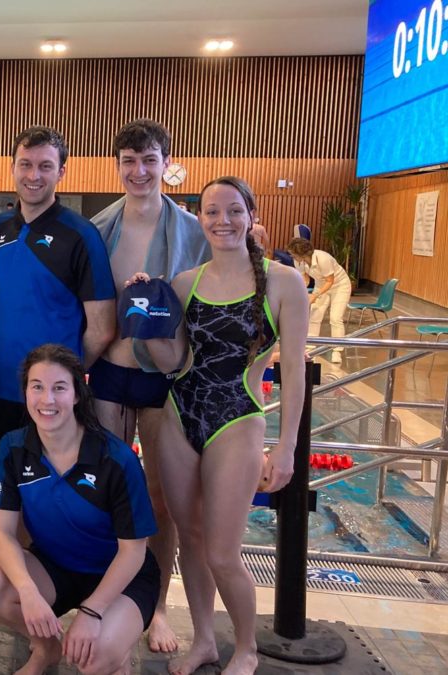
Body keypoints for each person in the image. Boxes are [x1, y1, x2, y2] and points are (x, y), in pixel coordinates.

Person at [136, 176, 307, 675]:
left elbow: (294, 371)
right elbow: (173, 362)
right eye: (212, 211)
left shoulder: (284, 282)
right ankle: (205, 640)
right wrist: (146, 311)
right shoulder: (186, 282)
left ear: (251, 216)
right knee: (190, 538)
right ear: (200, 218)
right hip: (179, 416)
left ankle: (247, 647)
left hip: (238, 420)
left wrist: (287, 447)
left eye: (234, 211)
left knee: (223, 553)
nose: (222, 221)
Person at [88, 119, 211, 652]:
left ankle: (157, 605)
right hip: (110, 373)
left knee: (161, 495)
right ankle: (104, 594)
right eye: (129, 161)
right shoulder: (99, 228)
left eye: (149, 160)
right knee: (105, 490)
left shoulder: (192, 231)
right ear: (117, 166)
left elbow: (213, 301)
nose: (139, 171)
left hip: (164, 379)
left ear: (167, 164)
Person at [0, 344, 160, 675]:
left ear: (76, 394)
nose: (47, 400)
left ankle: (117, 650)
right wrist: (28, 591)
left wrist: (92, 612)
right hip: (56, 567)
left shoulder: (115, 460)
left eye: (59, 388)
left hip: (121, 577)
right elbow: (1, 532)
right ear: (25, 393)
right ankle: (47, 649)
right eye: (37, 387)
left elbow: (134, 552)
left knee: (93, 658)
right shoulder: (13, 448)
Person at [0, 126, 115, 464]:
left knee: (53, 486)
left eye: (45, 166)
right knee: (6, 485)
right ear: (12, 167)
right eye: (25, 164)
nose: (33, 175)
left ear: (61, 172)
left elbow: (102, 328)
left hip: (52, 400)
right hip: (2, 388)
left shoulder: (81, 235)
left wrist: (61, 378)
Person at [286, 237, 351, 364]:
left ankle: (337, 351)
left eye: (293, 254)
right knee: (314, 315)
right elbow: (305, 279)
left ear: (302, 253)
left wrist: (315, 295)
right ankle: (310, 348)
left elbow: (330, 281)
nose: (292, 256)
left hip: (340, 286)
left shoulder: (323, 258)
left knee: (335, 318)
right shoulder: (299, 262)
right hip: (321, 285)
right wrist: (302, 294)